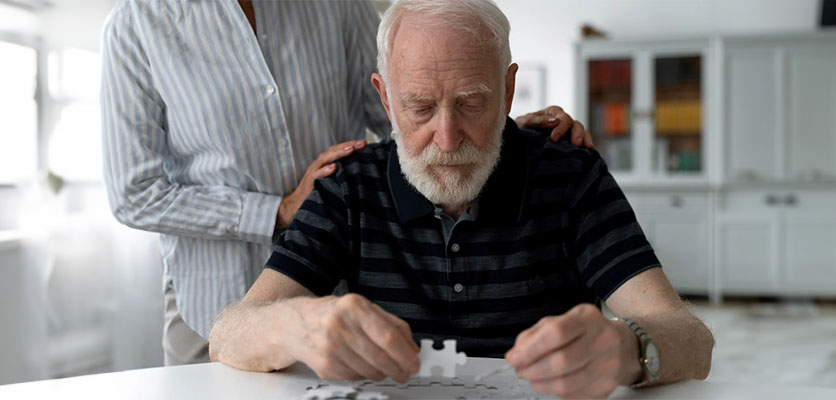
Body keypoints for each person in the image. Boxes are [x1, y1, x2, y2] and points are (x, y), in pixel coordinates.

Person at [208, 0, 713, 398]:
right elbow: (228, 334)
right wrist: (298, 325)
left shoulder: (571, 174)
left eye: (472, 104)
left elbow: (692, 340)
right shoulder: (348, 186)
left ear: (509, 91)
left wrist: (628, 348)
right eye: (420, 108)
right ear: (385, 98)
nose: (447, 139)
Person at [100, 0, 591, 366]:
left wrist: (484, 135)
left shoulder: (335, 4)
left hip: (332, 281)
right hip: (209, 292)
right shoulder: (135, 25)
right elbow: (133, 194)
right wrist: (277, 210)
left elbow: (404, 105)